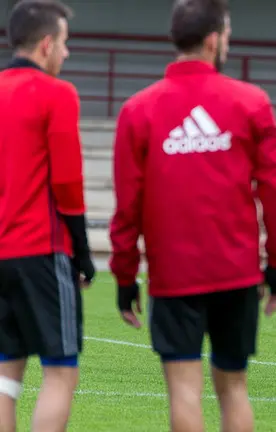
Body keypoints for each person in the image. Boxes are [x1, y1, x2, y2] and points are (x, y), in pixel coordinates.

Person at [109, 0, 276, 430]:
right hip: (237, 273)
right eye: (227, 34)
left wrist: (124, 276)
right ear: (213, 40)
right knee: (234, 389)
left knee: (184, 391)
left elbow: (126, 206)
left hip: (173, 277)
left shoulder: (138, 109)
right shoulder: (251, 101)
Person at [0, 1, 96, 431]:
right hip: (41, 250)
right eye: (64, 43)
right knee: (60, 371)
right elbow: (68, 183)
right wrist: (83, 254)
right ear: (45, 44)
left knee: (5, 376)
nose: (67, 53)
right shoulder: (58, 94)